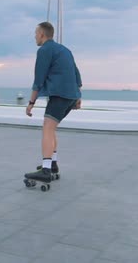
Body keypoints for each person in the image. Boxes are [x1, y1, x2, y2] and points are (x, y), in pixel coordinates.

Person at [25, 22, 82, 183]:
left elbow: (39, 78)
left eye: (36, 33)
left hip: (60, 95)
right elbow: (76, 72)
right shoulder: (65, 50)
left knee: (47, 129)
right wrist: (78, 96)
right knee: (52, 128)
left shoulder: (44, 50)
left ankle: (45, 170)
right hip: (71, 96)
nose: (34, 36)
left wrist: (31, 102)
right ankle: (52, 164)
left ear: (42, 34)